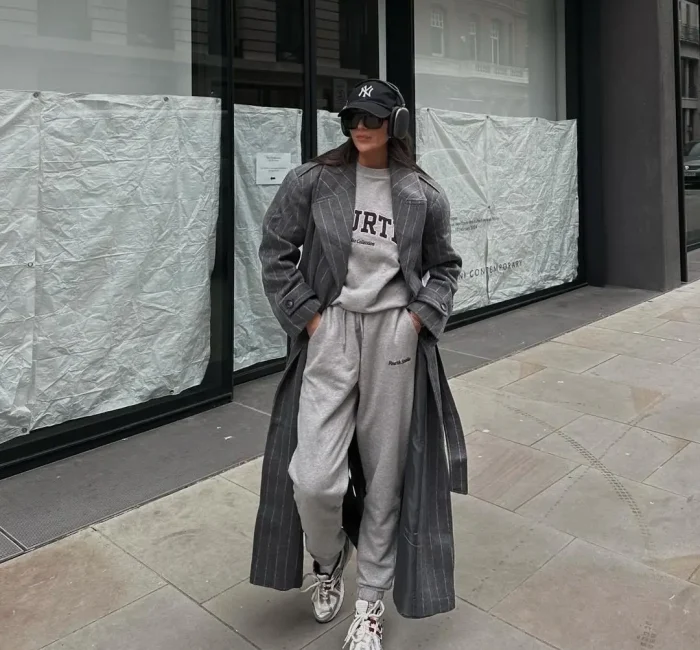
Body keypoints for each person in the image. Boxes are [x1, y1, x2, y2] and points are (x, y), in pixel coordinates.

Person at [249, 79, 468, 650]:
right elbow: (276, 251)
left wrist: (417, 318)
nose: (359, 127)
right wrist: (310, 319)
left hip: (394, 334)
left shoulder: (423, 193)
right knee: (314, 477)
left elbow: (445, 266)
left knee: (386, 473)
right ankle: (328, 558)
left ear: (393, 122)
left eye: (371, 117)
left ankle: (369, 599)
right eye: (352, 117)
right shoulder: (313, 180)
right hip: (333, 330)